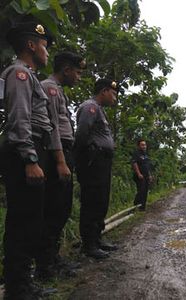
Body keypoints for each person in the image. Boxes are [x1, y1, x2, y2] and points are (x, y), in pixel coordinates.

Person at [1, 22, 54, 299]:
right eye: (44, 45)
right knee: (22, 220)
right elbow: (19, 119)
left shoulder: (29, 75)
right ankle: (17, 288)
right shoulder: (19, 73)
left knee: (31, 218)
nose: (47, 51)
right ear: (31, 45)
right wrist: (30, 158)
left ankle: (23, 282)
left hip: (31, 149)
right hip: (25, 152)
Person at [35, 52, 85, 280]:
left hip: (64, 151)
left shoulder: (56, 89)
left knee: (62, 208)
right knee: (54, 209)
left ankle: (52, 260)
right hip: (58, 154)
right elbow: (53, 127)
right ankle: (45, 267)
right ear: (66, 70)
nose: (79, 77)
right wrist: (61, 161)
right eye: (77, 72)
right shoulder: (50, 88)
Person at [75, 78, 118, 259]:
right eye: (113, 93)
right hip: (93, 161)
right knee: (92, 201)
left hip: (102, 162)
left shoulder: (99, 110)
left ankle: (97, 238)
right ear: (104, 91)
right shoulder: (89, 107)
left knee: (101, 201)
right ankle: (89, 244)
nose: (115, 97)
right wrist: (85, 159)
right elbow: (82, 134)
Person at [132, 139, 153, 211]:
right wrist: (138, 173)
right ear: (138, 146)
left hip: (146, 175)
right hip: (140, 176)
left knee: (145, 191)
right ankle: (134, 207)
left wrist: (150, 175)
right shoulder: (136, 153)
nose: (144, 146)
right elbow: (134, 164)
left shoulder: (146, 155)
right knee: (141, 191)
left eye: (145, 145)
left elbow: (148, 166)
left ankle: (142, 208)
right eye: (142, 145)